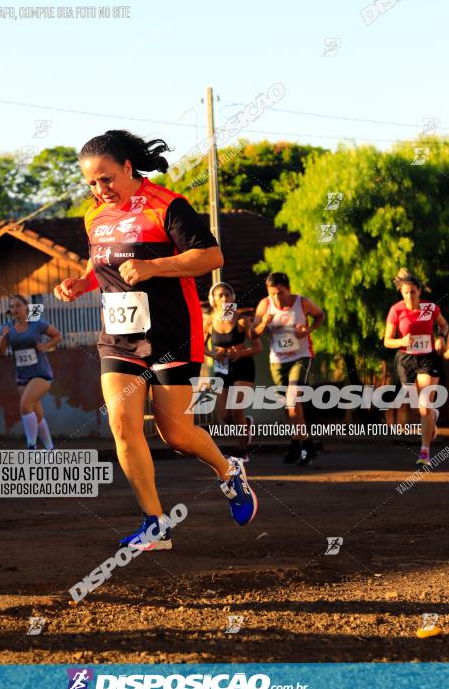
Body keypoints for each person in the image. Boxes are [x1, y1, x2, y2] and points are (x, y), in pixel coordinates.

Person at [54, 130, 257, 550]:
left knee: (177, 434)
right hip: (119, 337)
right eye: (91, 182)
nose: (99, 189)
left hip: (171, 333)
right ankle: (155, 523)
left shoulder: (167, 206)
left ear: (128, 168)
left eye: (107, 179)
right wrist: (81, 283)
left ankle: (229, 470)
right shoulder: (94, 216)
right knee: (122, 424)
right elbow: (103, 264)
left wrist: (153, 267)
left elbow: (210, 256)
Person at [251, 272, 325, 465]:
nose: (276, 297)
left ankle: (307, 446)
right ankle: (296, 443)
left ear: (289, 289)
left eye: (280, 293)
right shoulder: (264, 306)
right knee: (288, 407)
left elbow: (320, 315)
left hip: (301, 357)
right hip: (277, 361)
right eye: (272, 293)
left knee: (293, 401)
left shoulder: (303, 303)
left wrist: (308, 330)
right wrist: (263, 325)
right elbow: (253, 333)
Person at [384, 269, 449, 467]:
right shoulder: (396, 310)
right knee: (416, 403)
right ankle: (432, 416)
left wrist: (441, 337)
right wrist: (402, 340)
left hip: (428, 358)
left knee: (424, 406)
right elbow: (387, 341)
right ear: (401, 294)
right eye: (405, 292)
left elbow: (444, 326)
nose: (409, 296)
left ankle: (425, 453)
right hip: (406, 359)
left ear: (419, 291)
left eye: (412, 291)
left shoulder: (430, 308)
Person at [203, 282, 262, 462]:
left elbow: (258, 347)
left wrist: (240, 352)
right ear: (213, 300)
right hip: (222, 369)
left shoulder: (242, 320)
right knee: (225, 416)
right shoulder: (209, 321)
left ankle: (243, 451)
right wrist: (214, 353)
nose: (224, 298)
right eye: (220, 295)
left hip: (243, 366)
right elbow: (200, 346)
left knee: (237, 410)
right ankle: (247, 424)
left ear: (233, 298)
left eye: (227, 295)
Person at [0, 295, 62, 450]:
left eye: (18, 305)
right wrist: (2, 337)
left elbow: (58, 336)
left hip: (41, 373)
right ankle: (50, 449)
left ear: (27, 307)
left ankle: (31, 446)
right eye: (12, 307)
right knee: (37, 416)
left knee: (25, 406)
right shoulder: (6, 327)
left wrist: (46, 346)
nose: (15, 309)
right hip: (22, 376)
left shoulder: (37, 324)